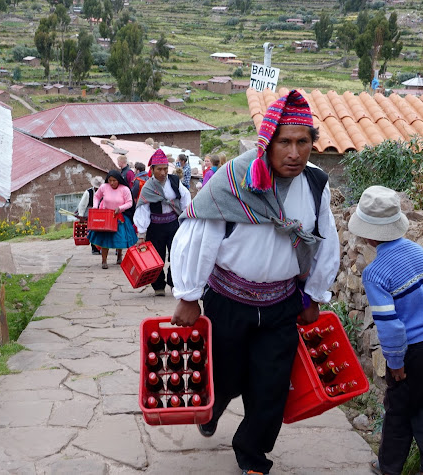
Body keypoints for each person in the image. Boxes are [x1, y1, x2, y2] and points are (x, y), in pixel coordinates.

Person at [170, 90, 340, 475]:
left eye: (303, 142)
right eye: (285, 142)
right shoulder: (235, 180)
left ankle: (252, 455)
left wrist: (315, 295)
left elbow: (326, 239)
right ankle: (212, 408)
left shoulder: (315, 184)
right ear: (268, 142)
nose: (294, 153)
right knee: (225, 375)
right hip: (228, 302)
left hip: (282, 304)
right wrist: (189, 295)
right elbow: (200, 236)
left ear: (312, 143)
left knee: (270, 387)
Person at [347, 185, 423, 475]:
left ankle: (389, 467)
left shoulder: (376, 273)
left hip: (412, 350)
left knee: (399, 409)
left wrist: (395, 361)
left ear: (368, 234)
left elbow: (390, 325)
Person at [134, 149, 191, 296]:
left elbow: (185, 199)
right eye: (159, 169)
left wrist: (186, 220)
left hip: (173, 224)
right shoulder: (148, 187)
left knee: (177, 254)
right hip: (155, 227)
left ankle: (173, 282)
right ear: (152, 169)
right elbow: (143, 209)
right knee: (157, 257)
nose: (163, 172)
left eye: (165, 169)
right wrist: (141, 234)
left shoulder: (174, 181)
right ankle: (158, 286)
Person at [87, 170, 138, 269]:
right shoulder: (104, 187)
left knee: (119, 238)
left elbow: (129, 203)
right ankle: (104, 260)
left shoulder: (125, 189)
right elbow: (96, 196)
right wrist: (95, 206)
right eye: (110, 180)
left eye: (114, 180)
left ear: (119, 180)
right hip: (106, 216)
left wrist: (120, 208)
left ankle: (119, 255)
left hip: (119, 216)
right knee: (104, 239)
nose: (112, 183)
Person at [76, 175, 103, 255]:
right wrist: (81, 216)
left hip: (100, 213)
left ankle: (100, 247)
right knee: (92, 231)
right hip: (90, 213)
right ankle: (94, 248)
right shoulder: (88, 192)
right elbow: (82, 205)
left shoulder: (103, 192)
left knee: (100, 231)